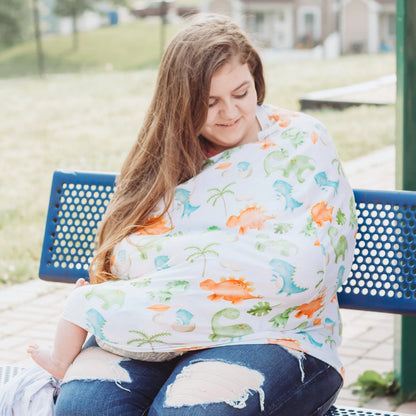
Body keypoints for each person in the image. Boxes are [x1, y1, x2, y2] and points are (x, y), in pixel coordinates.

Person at [35, 13, 357, 416]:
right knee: (86, 408)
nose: (230, 113)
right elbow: (124, 253)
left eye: (241, 92)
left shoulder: (302, 142)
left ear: (255, 76)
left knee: (190, 412)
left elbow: (305, 268)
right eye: (209, 103)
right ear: (181, 102)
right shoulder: (164, 157)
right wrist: (212, 266)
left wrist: (163, 275)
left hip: (281, 336)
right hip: (154, 330)